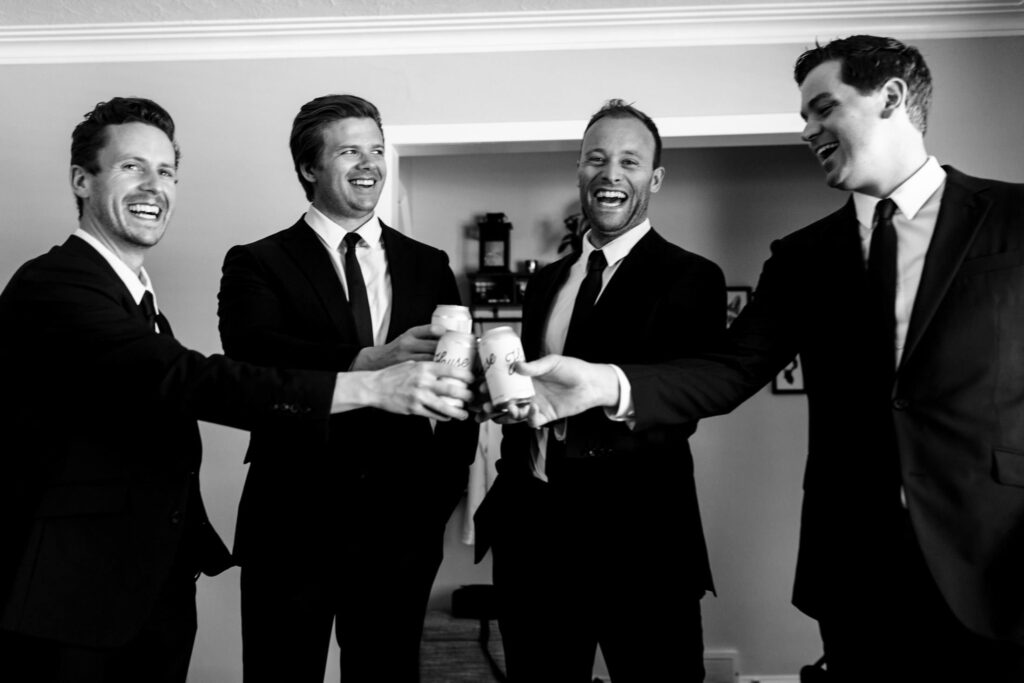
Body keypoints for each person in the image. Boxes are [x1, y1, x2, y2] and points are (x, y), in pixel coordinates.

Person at [504, 36, 1024, 681]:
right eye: (804, 115)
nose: (807, 130)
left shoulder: (1015, 218)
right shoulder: (804, 257)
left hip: (999, 552)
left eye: (823, 108)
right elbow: (731, 369)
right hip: (855, 562)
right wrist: (604, 383)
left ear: (891, 97)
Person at [0, 97, 472, 683]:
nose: (154, 185)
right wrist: (372, 381)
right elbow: (198, 377)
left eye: (166, 170)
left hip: (156, 576)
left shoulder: (135, 299)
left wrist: (440, 491)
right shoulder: (59, 285)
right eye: (131, 167)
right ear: (82, 180)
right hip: (85, 588)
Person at [217, 94, 480, 683]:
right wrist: (367, 360)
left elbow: (457, 383)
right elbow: (253, 360)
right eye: (349, 152)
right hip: (291, 522)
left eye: (377, 150)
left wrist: (443, 488)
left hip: (403, 526)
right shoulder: (257, 262)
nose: (370, 165)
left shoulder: (429, 264)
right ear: (309, 168)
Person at [473, 100, 726, 682]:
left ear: (654, 179)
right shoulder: (547, 282)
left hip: (640, 543)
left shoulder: (693, 278)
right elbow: (535, 393)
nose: (611, 173)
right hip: (533, 540)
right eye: (597, 159)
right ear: (579, 171)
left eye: (630, 161)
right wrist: (503, 402)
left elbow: (688, 402)